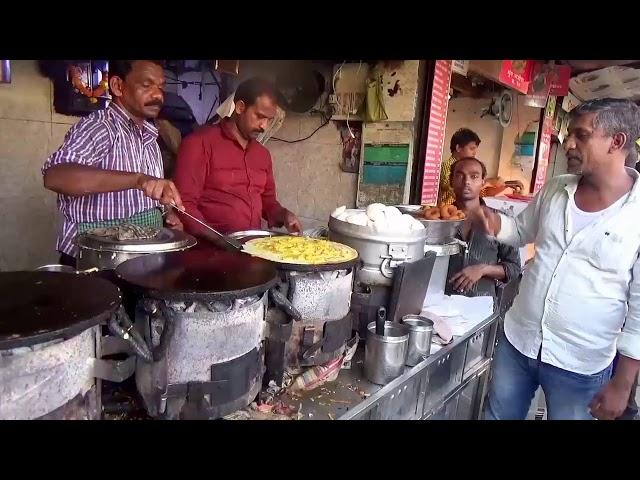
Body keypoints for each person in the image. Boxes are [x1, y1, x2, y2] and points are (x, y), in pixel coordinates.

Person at [469, 98, 640, 420]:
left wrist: (624, 382)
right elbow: (521, 231)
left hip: (581, 362)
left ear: (616, 142)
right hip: (519, 341)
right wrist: (494, 223)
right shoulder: (556, 189)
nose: (569, 145)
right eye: (568, 135)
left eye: (582, 135)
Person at [43, 60, 184, 266]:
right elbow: (55, 177)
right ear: (118, 86)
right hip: (97, 262)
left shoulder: (150, 136)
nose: (158, 95)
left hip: (141, 260)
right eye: (147, 85)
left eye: (161, 87)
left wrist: (167, 213)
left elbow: (144, 199)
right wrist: (139, 180)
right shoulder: (99, 127)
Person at [173, 77, 301, 244]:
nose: (264, 126)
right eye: (260, 116)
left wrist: (285, 215)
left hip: (251, 251)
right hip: (208, 252)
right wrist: (220, 241)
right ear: (240, 107)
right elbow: (184, 205)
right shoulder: (199, 143)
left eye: (269, 120)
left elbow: (268, 202)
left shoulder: (262, 155)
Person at [445, 157, 521, 299]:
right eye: (460, 175)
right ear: (451, 181)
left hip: (482, 308)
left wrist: (483, 269)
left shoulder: (499, 221)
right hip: (440, 304)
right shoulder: (439, 220)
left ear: (483, 182)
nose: (467, 181)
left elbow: (514, 268)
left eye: (474, 176)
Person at [438, 128, 525, 205]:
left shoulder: (466, 169)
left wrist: (505, 184)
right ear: (458, 148)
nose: (474, 153)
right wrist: (488, 182)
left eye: (475, 149)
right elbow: (457, 191)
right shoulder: (447, 166)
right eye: (471, 149)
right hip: (449, 212)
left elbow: (479, 191)